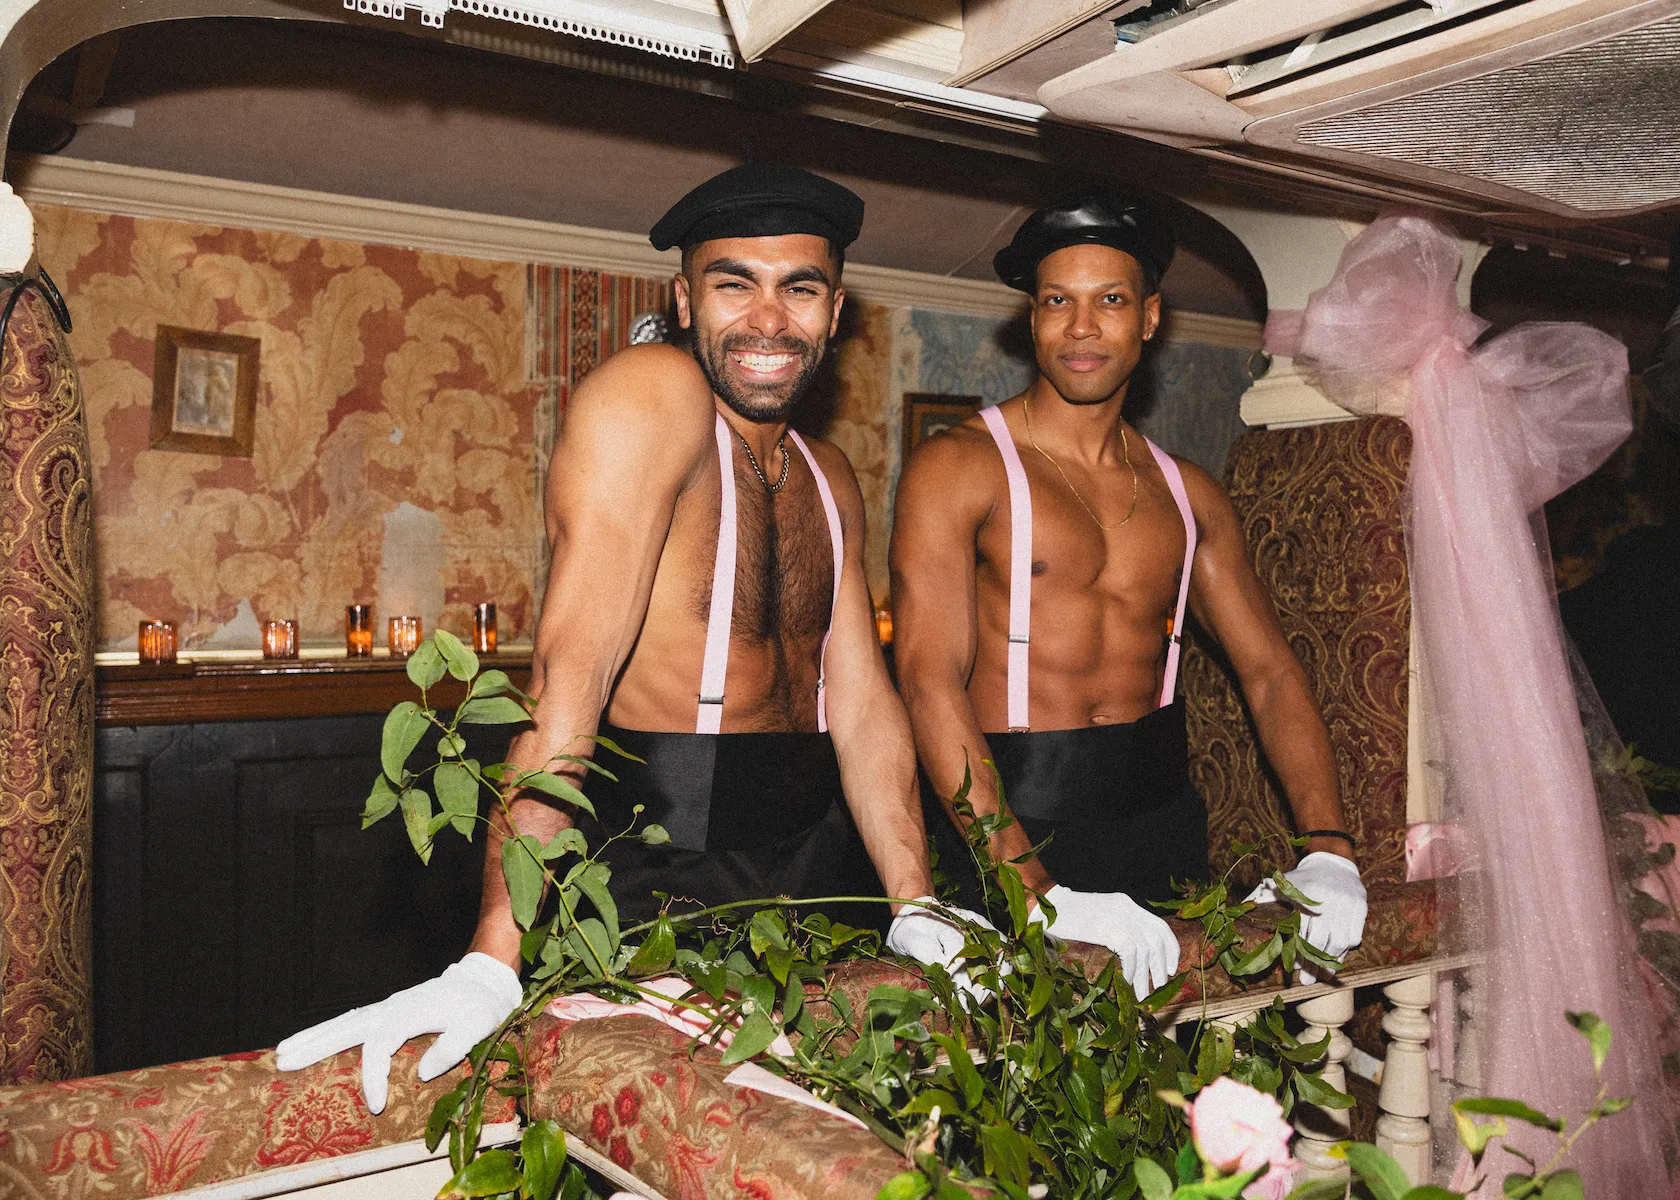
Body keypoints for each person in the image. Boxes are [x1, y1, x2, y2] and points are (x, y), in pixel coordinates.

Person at [278, 163, 981, 1112]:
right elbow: (571, 676)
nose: (769, 319)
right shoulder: (653, 398)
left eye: (800, 289)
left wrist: (915, 901)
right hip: (656, 878)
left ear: (835, 311)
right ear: (683, 300)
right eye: (734, 284)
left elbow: (862, 706)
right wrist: (493, 956)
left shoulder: (829, 475)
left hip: (814, 878)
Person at [889, 191, 1367, 998]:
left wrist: (1329, 846)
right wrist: (1031, 890)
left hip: (1160, 826)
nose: (1081, 328)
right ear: (1032, 319)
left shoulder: (1190, 494)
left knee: (1171, 1062)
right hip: (1009, 826)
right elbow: (927, 680)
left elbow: (1271, 673)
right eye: (1057, 302)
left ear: (1149, 318)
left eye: (1109, 301)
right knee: (1016, 1065)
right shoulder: (959, 468)